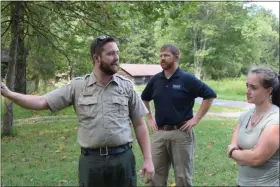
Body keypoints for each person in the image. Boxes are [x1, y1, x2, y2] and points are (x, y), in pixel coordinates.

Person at [1, 35, 155, 187]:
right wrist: (9, 94)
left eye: (117, 52)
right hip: (91, 163)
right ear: (96, 58)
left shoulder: (126, 86)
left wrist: (148, 159)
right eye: (111, 54)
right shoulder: (78, 87)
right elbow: (42, 101)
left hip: (123, 159)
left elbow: (140, 124)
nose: (116, 58)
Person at [141, 44, 217, 186]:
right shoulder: (156, 80)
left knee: (182, 176)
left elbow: (210, 95)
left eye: (166, 55)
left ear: (176, 58)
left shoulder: (187, 79)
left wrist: (196, 119)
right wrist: (150, 118)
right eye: (161, 55)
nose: (162, 58)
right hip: (159, 133)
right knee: (155, 176)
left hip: (181, 133)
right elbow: (144, 98)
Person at [227, 66, 279, 186]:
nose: (247, 91)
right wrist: (242, 153)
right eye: (247, 85)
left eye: (253, 87)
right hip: (241, 183)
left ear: (269, 90)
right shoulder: (245, 116)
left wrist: (233, 152)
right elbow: (233, 145)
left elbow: (256, 158)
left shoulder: (275, 119)